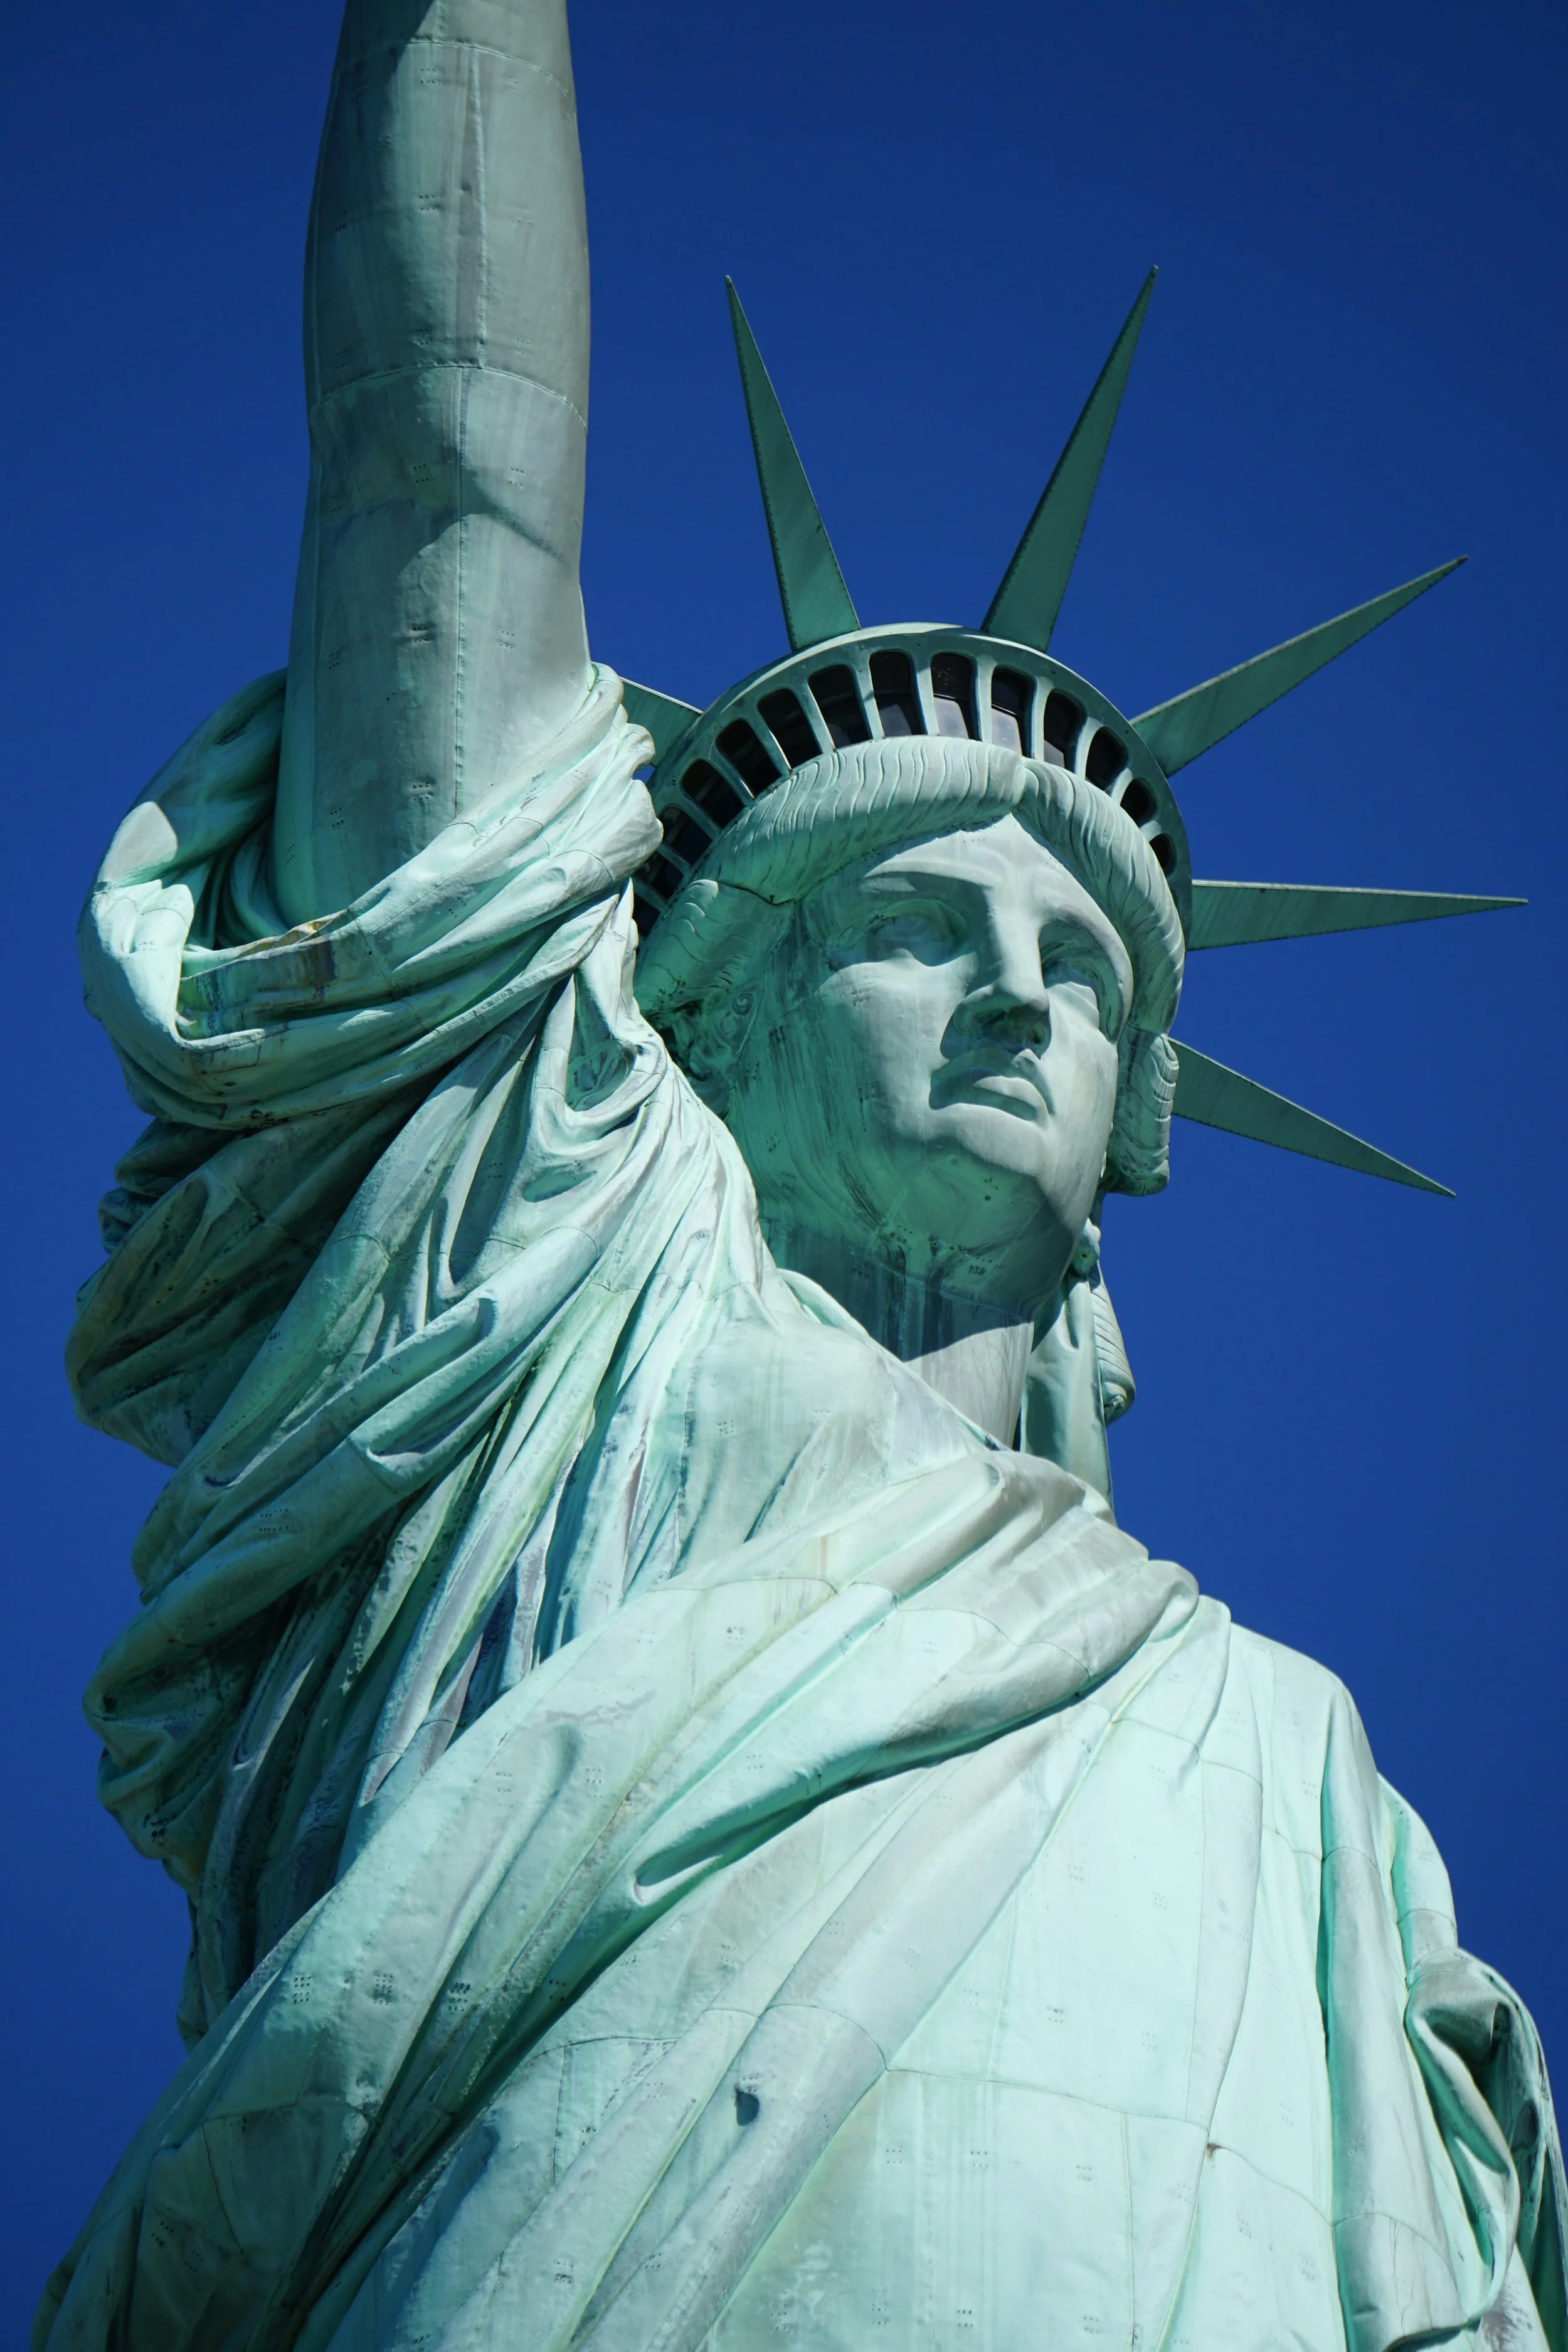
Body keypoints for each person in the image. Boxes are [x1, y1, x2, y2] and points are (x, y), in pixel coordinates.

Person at [38, 3, 1564, 2347]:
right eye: (918, 924)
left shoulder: (1295, 1763)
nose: (1018, 997)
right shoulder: (553, 1327)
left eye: (1081, 967)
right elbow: (436, 468)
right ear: (708, 1021)